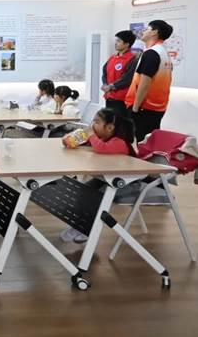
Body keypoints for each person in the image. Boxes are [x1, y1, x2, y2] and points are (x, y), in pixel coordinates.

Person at [60, 108, 137, 243]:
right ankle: (78, 225)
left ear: (110, 127)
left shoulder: (119, 142)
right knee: (83, 191)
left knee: (93, 198)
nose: (92, 125)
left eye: (97, 122)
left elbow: (101, 148)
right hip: (106, 179)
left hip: (125, 182)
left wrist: (91, 135)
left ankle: (87, 227)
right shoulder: (102, 139)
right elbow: (89, 145)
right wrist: (71, 139)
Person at [125, 20, 174, 142]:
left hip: (144, 108)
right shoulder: (164, 53)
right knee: (151, 142)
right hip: (158, 108)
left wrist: (135, 108)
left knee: (143, 142)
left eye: (147, 29)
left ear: (154, 32)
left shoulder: (151, 53)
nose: (143, 31)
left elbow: (145, 84)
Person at [101, 30, 138, 117]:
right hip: (109, 97)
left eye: (119, 41)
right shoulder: (113, 57)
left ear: (127, 44)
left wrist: (111, 86)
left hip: (122, 99)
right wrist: (105, 84)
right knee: (109, 121)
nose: (115, 43)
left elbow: (128, 78)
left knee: (120, 123)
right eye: (116, 40)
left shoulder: (132, 59)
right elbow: (104, 72)